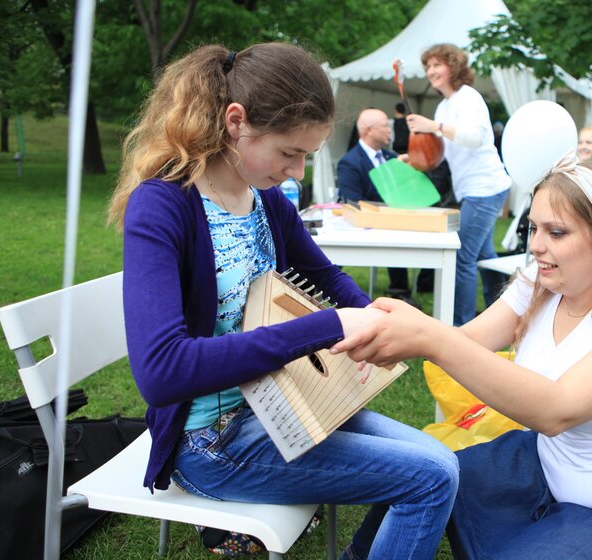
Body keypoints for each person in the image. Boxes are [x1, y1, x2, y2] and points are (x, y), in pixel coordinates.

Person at [107, 43, 458, 560]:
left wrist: (374, 316)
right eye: (289, 152)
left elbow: (325, 275)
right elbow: (161, 373)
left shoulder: (265, 199)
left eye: (307, 156)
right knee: (430, 479)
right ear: (236, 121)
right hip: (211, 442)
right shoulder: (162, 205)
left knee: (442, 461)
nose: (298, 172)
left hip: (281, 405)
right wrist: (330, 326)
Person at [333, 154, 592, 560]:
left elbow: (557, 410)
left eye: (556, 232)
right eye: (534, 228)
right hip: (551, 466)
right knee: (421, 473)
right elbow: (469, 340)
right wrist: (392, 336)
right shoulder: (541, 280)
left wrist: (429, 338)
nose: (536, 245)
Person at [404, 43, 511, 326]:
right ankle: (502, 317)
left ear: (453, 67)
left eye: (437, 64)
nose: (431, 71)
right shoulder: (443, 107)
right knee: (485, 256)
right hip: (475, 190)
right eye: (428, 66)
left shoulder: (468, 97)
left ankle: (460, 326)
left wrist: (434, 127)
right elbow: (440, 153)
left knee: (462, 256)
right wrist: (413, 158)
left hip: (485, 188)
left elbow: (475, 138)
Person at [337, 108, 418, 306]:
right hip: (363, 227)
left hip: (394, 224)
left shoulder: (391, 157)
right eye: (385, 126)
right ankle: (327, 285)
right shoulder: (349, 162)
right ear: (368, 130)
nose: (390, 130)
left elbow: (404, 194)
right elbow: (354, 202)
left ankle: (400, 290)